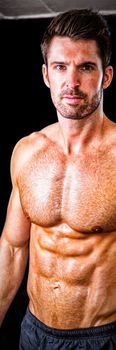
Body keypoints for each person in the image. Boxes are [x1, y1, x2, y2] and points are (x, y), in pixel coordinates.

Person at [0, 8, 116, 350]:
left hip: (100, 337)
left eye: (86, 67)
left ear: (105, 76)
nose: (72, 82)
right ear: (46, 74)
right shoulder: (27, 152)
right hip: (32, 331)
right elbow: (13, 246)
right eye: (61, 67)